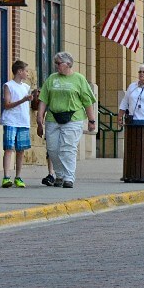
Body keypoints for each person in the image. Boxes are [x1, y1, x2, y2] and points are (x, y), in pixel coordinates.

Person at [36, 51, 97, 188]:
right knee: (52, 149)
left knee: (67, 148)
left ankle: (68, 177)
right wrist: (40, 117)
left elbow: (87, 101)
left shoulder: (79, 79)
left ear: (68, 64)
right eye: (55, 63)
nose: (56, 66)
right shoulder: (52, 79)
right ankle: (59, 175)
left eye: (59, 63)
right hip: (53, 117)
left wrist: (91, 121)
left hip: (73, 118)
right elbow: (43, 99)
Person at [0, 61, 37, 188]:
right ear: (19, 71)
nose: (27, 73)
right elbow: (7, 105)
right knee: (9, 148)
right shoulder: (8, 86)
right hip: (11, 120)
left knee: (20, 150)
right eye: (26, 71)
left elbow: (28, 104)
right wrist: (23, 100)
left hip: (23, 121)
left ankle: (18, 176)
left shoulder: (26, 87)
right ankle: (6, 176)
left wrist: (33, 99)